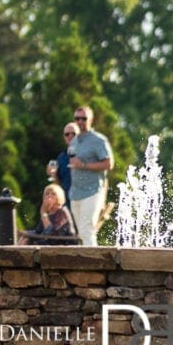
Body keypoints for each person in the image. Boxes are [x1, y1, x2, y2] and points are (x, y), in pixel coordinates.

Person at [67, 105, 114, 246]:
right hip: (75, 193)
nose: (80, 121)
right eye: (77, 118)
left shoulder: (99, 140)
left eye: (84, 118)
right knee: (82, 233)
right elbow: (73, 164)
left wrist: (84, 165)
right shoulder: (74, 141)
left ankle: (95, 264)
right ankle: (85, 263)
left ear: (91, 120)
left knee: (87, 230)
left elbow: (109, 164)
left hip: (93, 191)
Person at [47, 121, 79, 207]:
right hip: (66, 204)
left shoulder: (87, 153)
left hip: (84, 201)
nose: (70, 136)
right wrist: (53, 175)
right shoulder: (61, 157)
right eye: (67, 134)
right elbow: (59, 185)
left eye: (74, 134)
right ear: (64, 137)